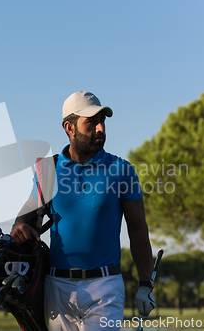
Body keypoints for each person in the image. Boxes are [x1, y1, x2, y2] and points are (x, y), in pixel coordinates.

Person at [11, 91, 154, 331]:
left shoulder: (121, 169)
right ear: (69, 127)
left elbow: (138, 229)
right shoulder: (49, 169)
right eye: (91, 122)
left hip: (105, 286)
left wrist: (145, 284)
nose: (100, 129)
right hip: (56, 287)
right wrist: (19, 227)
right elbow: (23, 219)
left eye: (102, 121)